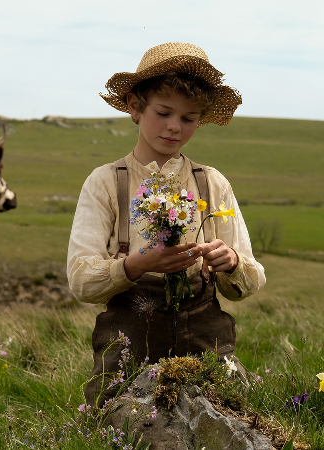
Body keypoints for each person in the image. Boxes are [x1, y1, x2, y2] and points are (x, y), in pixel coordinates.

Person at [66, 42, 266, 407]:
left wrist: (231, 262)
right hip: (129, 337)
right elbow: (80, 280)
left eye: (189, 118)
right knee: (119, 428)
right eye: (164, 112)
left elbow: (249, 282)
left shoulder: (213, 183)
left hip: (205, 334)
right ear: (135, 106)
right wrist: (135, 265)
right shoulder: (106, 182)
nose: (174, 127)